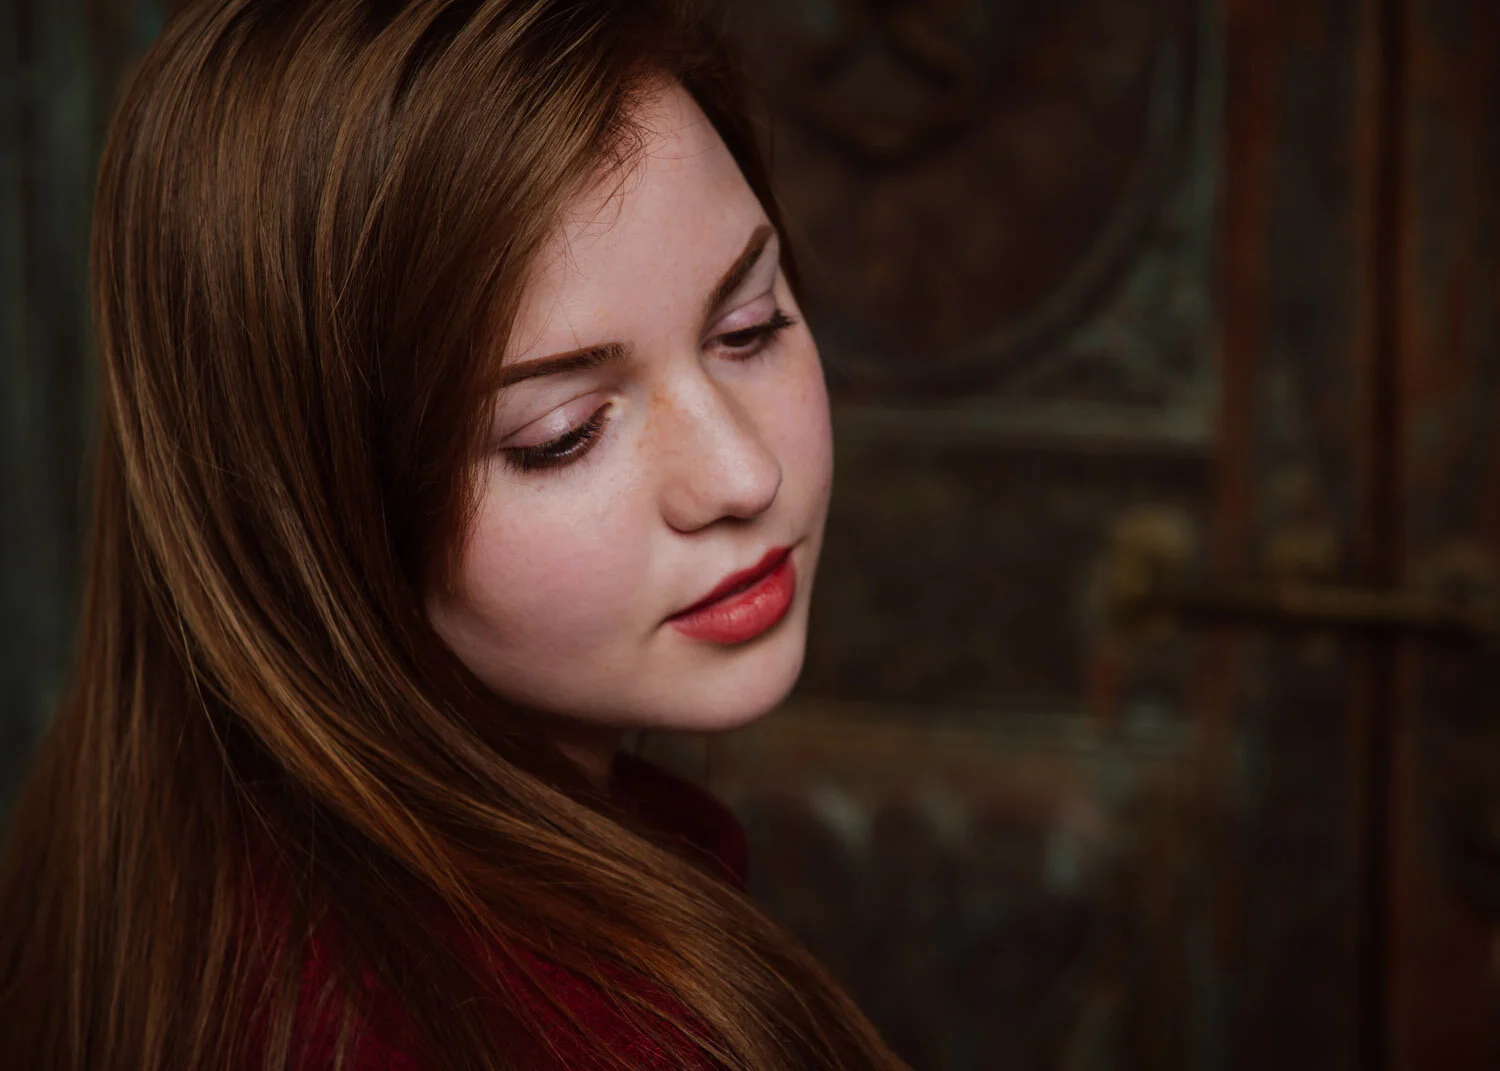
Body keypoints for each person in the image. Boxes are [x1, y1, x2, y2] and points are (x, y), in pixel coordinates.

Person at [0, 1, 908, 1068]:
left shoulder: (148, 878)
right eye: (562, 434)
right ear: (312, 507)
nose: (743, 475)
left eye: (748, 328)